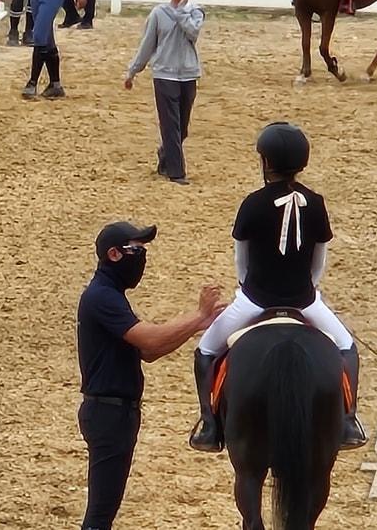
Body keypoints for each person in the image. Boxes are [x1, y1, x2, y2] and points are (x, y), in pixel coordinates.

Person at [189, 122, 367, 452]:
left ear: (266, 162)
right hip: (305, 299)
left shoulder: (253, 203)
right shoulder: (315, 202)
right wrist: (309, 289)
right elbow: (318, 260)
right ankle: (348, 420)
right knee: (346, 347)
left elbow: (241, 260)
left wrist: (245, 288)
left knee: (206, 350)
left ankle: (209, 424)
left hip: (255, 299)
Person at [77, 221, 225, 530]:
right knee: (100, 515)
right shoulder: (102, 297)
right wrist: (198, 317)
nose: (142, 257)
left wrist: (197, 325)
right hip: (109, 413)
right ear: (114, 254)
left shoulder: (110, 294)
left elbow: (149, 353)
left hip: (115, 412)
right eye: (137, 250)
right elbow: (151, 340)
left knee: (105, 509)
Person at [123, 0, 205, 185]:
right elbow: (147, 45)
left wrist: (180, 13)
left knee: (182, 126)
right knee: (170, 125)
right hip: (164, 74)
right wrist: (133, 70)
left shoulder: (195, 12)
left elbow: (192, 33)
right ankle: (177, 172)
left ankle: (167, 154)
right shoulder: (158, 14)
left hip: (188, 74)